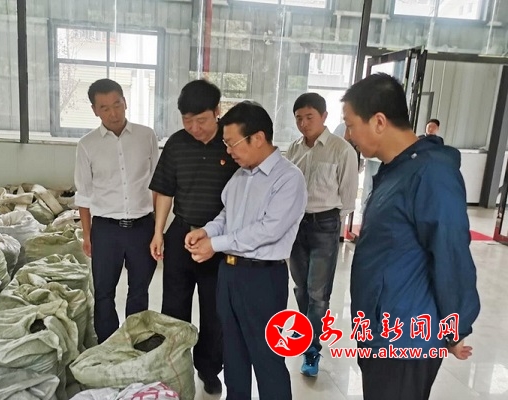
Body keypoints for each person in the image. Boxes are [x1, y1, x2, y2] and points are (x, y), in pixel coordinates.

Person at [341, 73, 480, 400]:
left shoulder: (431, 174)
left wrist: (455, 325)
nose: (348, 135)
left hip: (406, 339)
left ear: (378, 121)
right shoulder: (396, 169)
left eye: (350, 125)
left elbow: (451, 253)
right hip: (381, 329)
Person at [185, 101, 307, 400]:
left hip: (263, 279)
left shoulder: (288, 178)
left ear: (258, 138)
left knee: (267, 358)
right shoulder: (240, 175)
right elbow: (227, 216)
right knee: (233, 355)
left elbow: (268, 230)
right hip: (229, 274)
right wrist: (207, 231)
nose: (228, 151)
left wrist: (215, 244)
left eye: (232, 143)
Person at [149, 79, 238, 395]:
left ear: (217, 111)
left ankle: (209, 369)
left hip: (219, 241)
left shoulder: (232, 142)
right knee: (174, 306)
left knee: (215, 311)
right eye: (187, 121)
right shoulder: (177, 143)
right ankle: (174, 366)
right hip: (181, 234)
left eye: (201, 120)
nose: (194, 128)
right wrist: (158, 232)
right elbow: (164, 191)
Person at [74, 78, 158, 343]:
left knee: (139, 291)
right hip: (105, 229)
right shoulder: (87, 145)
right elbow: (84, 194)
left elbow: (158, 184)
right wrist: (87, 235)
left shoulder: (146, 136)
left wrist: (158, 230)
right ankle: (108, 347)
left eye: (117, 104)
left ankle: (134, 342)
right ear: (95, 110)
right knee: (103, 293)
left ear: (125, 102)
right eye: (105, 107)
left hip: (142, 227)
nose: (113, 113)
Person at [285, 93, 359, 376]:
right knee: (301, 287)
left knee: (318, 292)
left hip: (325, 225)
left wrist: (331, 225)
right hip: (296, 224)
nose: (303, 123)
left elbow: (348, 197)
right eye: (298, 118)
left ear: (324, 116)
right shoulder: (293, 149)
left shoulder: (342, 150)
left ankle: (312, 349)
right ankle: (307, 331)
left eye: (309, 117)